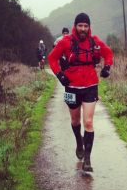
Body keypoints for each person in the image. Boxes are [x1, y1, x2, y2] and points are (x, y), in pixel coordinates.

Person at [48, 13, 113, 172]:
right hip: (71, 86)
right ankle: (79, 141)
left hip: (91, 85)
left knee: (88, 122)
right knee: (75, 121)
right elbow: (52, 58)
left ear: (89, 27)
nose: (83, 28)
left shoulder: (95, 41)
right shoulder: (65, 42)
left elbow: (108, 53)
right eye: (80, 25)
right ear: (75, 26)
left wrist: (107, 67)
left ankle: (88, 160)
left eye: (86, 26)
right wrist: (59, 74)